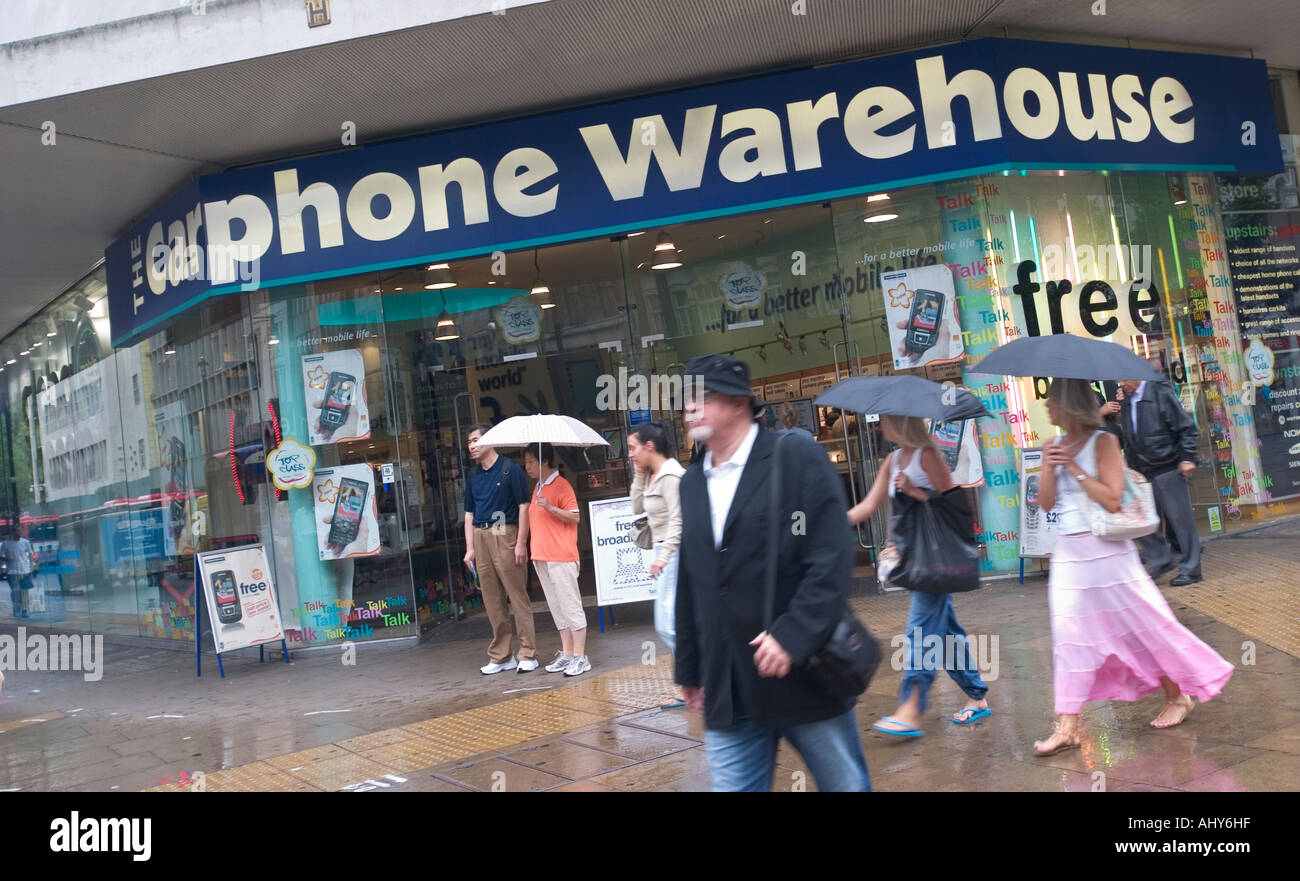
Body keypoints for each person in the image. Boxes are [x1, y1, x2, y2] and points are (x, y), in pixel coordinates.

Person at [675, 353, 871, 792]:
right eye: (684, 398)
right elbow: (693, 579)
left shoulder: (794, 456)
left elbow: (831, 557)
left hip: (805, 676)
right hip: (730, 686)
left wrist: (793, 634)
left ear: (740, 402)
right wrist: (689, 669)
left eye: (699, 396)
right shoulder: (692, 483)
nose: (688, 408)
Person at [1032, 379, 1233, 755]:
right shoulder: (1053, 446)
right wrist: (1048, 466)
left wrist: (1073, 467)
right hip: (1070, 556)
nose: (1047, 408)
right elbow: (1044, 503)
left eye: (1052, 401)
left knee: (1143, 627)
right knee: (1068, 634)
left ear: (1070, 404)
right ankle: (1068, 725)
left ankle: (1179, 696)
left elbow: (1111, 499)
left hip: (1109, 552)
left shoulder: (1104, 442)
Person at [847, 416, 990, 737]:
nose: (881, 429)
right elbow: (868, 505)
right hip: (915, 558)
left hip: (936, 559)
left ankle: (911, 706)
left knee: (920, 628)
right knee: (947, 631)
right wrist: (829, 521)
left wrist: (914, 491)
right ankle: (976, 695)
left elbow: (955, 505)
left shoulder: (928, 455)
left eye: (885, 422)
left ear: (901, 421)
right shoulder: (893, 460)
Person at [463, 423, 537, 674]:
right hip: (480, 533)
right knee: (492, 599)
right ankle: (501, 656)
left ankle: (528, 652)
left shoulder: (510, 469)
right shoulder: (472, 475)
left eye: (475, 440)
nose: (471, 446)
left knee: (516, 595)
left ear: (490, 440)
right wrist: (469, 547)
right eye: (469, 442)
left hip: (505, 531)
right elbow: (469, 513)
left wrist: (520, 543)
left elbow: (524, 506)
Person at [1116, 368, 1202, 585]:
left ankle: (1191, 569)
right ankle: (1162, 560)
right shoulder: (1127, 401)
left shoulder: (1159, 393)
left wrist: (1187, 457)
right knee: (1145, 521)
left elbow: (1187, 428)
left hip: (1167, 466)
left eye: (1124, 377)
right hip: (1142, 471)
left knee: (1181, 521)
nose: (1121, 383)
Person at [628, 421, 686, 707]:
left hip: (673, 553)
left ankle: (695, 680)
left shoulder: (671, 475)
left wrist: (664, 557)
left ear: (649, 446)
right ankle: (689, 685)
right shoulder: (653, 474)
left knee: (667, 624)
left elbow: (679, 519)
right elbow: (636, 507)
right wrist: (639, 475)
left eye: (632, 447)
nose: (629, 454)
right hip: (663, 552)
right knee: (672, 621)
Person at [523, 443, 590, 677]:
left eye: (531, 461)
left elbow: (575, 517)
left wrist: (550, 507)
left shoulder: (562, 485)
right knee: (557, 608)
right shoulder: (538, 487)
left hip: (560, 555)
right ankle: (568, 653)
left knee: (570, 606)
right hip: (542, 555)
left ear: (543, 461)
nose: (527, 466)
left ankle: (581, 656)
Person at [2, 528, 35, 620]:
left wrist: (32, 567)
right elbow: (2, 557)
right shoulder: (5, 544)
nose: (19, 533)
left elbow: (31, 555)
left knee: (25, 591)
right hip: (12, 571)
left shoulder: (26, 542)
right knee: (15, 591)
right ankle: (16, 607)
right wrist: (8, 561)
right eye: (17, 531)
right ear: (13, 532)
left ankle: (25, 609)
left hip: (25, 570)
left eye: (20, 531)